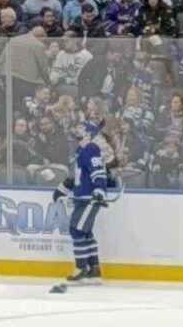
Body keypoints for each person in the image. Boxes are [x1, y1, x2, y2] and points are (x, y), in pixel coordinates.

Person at [58, 120, 109, 285]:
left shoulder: (91, 149)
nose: (76, 129)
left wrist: (99, 191)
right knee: (85, 232)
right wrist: (63, 188)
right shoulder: (81, 150)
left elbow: (98, 171)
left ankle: (81, 268)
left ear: (88, 134)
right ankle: (94, 270)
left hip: (89, 198)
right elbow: (79, 176)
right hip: (82, 197)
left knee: (76, 229)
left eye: (80, 128)